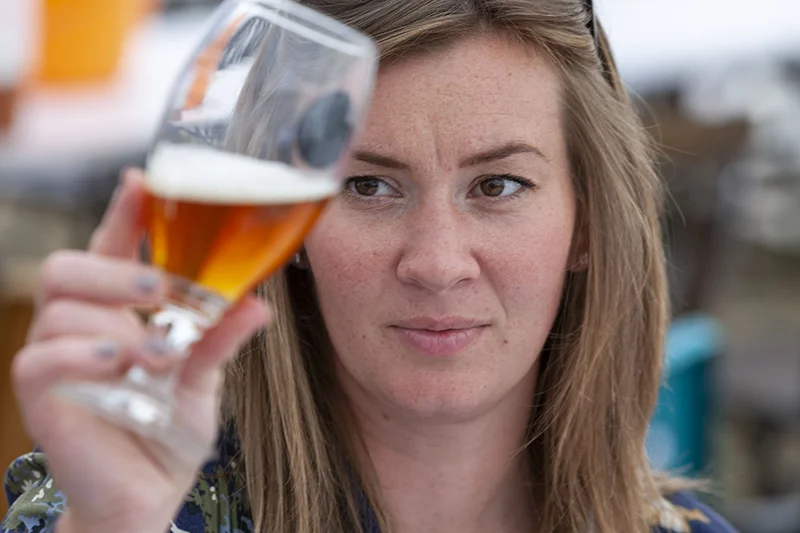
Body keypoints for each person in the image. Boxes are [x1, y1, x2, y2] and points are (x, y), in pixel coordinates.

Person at [2, 0, 737, 532]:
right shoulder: (134, 501)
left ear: (587, 224)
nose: (438, 262)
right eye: (369, 185)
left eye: (499, 185)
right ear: (288, 229)